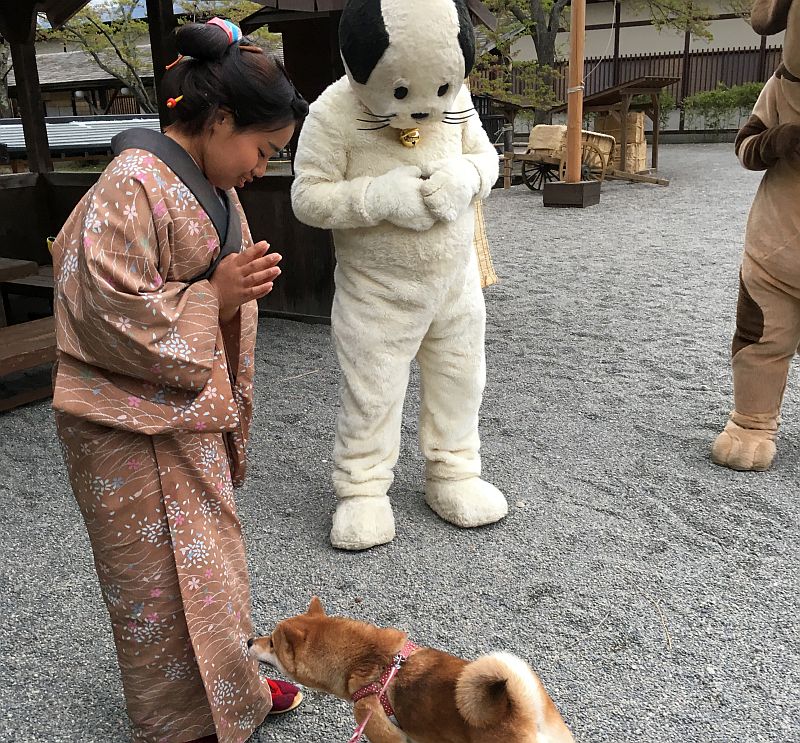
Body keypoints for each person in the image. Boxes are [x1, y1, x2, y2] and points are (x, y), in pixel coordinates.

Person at [50, 18, 308, 743]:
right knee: (155, 587)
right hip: (122, 423)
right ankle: (178, 725)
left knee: (212, 569)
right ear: (221, 119)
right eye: (263, 150)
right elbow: (106, 310)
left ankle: (238, 692)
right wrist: (215, 299)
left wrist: (224, 300)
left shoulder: (211, 188)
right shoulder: (130, 185)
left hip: (186, 406)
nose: (262, 169)